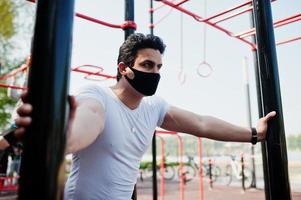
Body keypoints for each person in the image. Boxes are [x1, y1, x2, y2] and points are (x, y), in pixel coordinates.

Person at [10, 33, 275, 200]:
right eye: (147, 65)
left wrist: (254, 133)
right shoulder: (97, 95)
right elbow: (88, 122)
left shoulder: (154, 106)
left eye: (159, 67)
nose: (155, 73)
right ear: (124, 69)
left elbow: (201, 123)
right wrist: (57, 139)